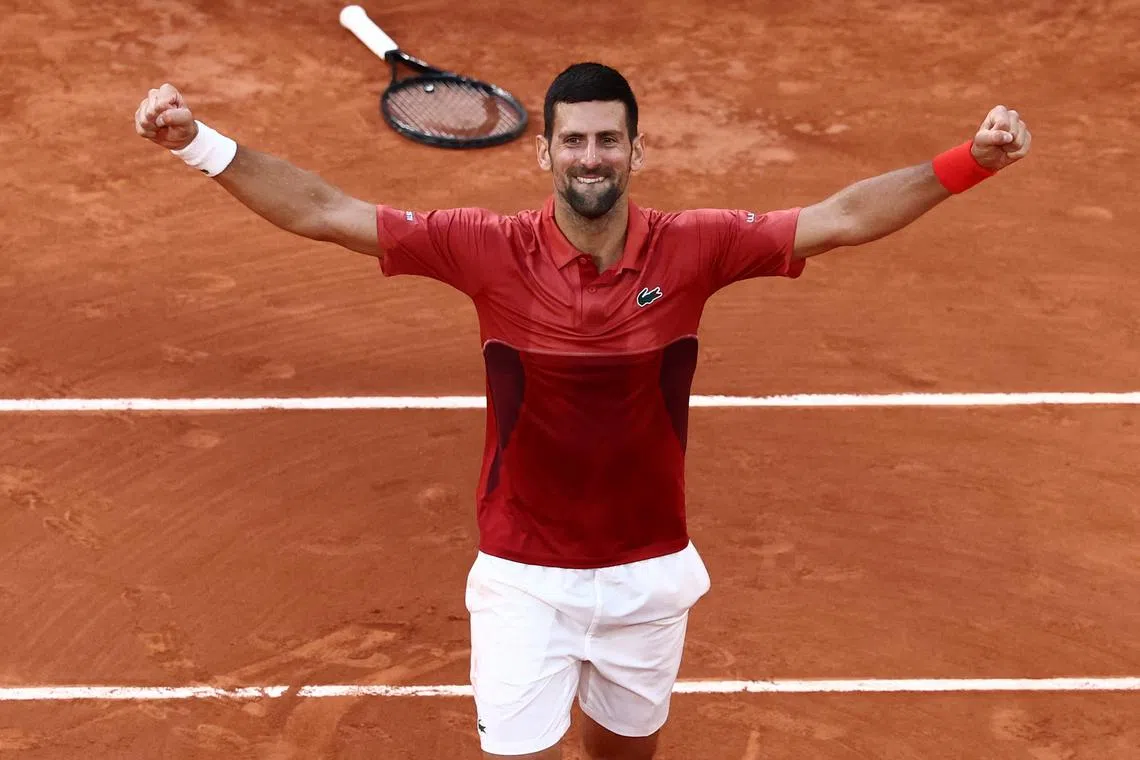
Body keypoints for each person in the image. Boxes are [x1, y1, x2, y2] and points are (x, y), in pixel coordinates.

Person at [134, 62, 1031, 759]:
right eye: (575, 142)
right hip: (524, 577)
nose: (591, 158)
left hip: (649, 574)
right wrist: (197, 143)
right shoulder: (484, 249)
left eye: (608, 141)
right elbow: (326, 210)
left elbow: (839, 218)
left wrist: (971, 162)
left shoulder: (697, 246)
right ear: (546, 152)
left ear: (637, 151)